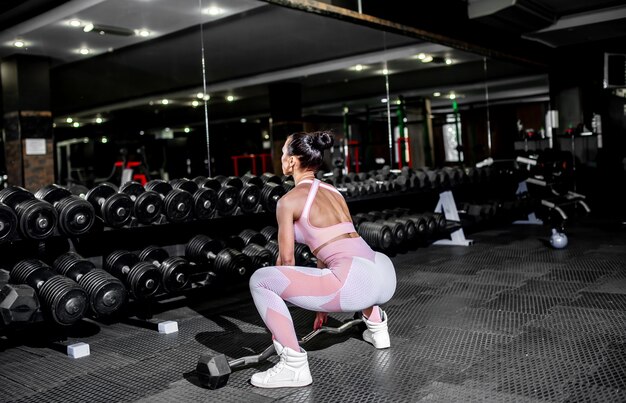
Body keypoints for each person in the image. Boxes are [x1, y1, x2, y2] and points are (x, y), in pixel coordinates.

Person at [248, 130, 397, 388]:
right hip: (381, 273)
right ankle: (378, 330)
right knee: (345, 264)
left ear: (292, 161)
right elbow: (333, 251)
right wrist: (321, 305)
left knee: (261, 280)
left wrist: (278, 328)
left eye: (283, 152)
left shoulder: (288, 201)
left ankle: (293, 365)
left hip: (353, 282)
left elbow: (286, 263)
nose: (281, 157)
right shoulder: (333, 192)